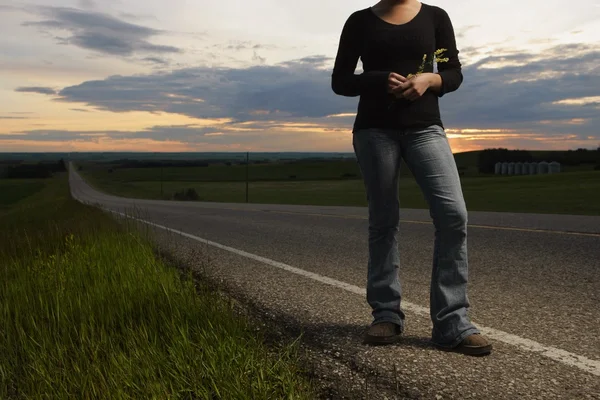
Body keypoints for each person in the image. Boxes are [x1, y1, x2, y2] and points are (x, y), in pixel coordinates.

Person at [331, 0, 492, 356]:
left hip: (425, 129)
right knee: (384, 220)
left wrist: (429, 80)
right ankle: (386, 314)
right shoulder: (360, 22)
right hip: (374, 130)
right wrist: (377, 79)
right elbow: (340, 81)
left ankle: (452, 323)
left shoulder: (434, 18)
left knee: (453, 216)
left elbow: (451, 71)